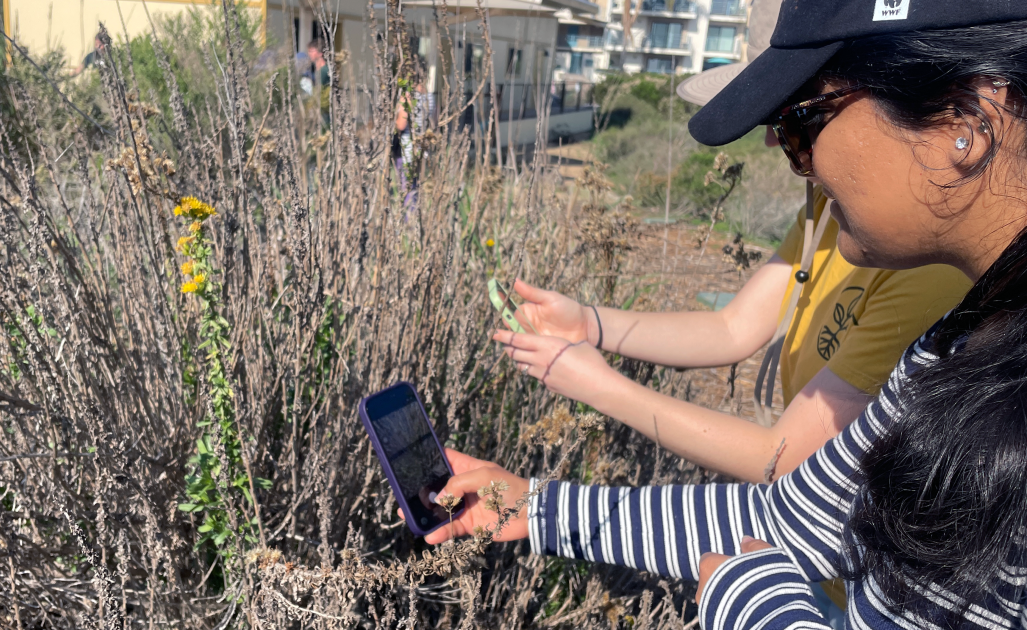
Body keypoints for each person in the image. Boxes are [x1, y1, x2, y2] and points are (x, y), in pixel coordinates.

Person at [403, 2, 1027, 627]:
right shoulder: (955, 342)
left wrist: (748, 600)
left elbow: (780, 470)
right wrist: (534, 508)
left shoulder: (962, 332)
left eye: (802, 119)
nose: (791, 154)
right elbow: (791, 517)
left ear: (963, 120)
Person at [394, 60, 435, 211]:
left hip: (407, 149)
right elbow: (433, 124)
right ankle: (414, 219)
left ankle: (407, 220)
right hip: (423, 150)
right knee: (416, 189)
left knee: (406, 191)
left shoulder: (408, 96)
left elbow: (401, 124)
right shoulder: (430, 97)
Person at [306, 38, 331, 128]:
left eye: (312, 51)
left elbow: (319, 91)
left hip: (323, 111)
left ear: (320, 53)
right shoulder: (318, 71)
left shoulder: (323, 71)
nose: (309, 54)